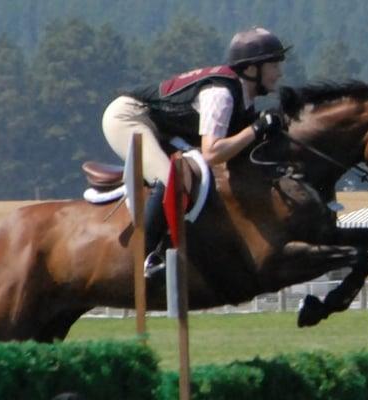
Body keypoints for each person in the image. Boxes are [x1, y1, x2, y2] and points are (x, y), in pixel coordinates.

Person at [102, 27, 289, 275]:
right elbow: (211, 153)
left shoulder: (244, 95)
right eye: (274, 65)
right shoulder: (222, 94)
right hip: (128, 118)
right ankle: (145, 256)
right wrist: (255, 129)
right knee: (168, 180)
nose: (279, 73)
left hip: (160, 126)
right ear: (252, 69)